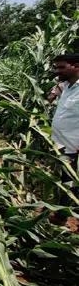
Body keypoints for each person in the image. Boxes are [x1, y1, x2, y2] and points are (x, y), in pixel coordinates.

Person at [51, 53, 79, 204]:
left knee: (70, 181)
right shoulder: (67, 86)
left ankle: (63, 215)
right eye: (56, 67)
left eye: (62, 67)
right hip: (62, 145)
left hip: (75, 148)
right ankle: (62, 212)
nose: (57, 71)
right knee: (66, 180)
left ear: (76, 67)